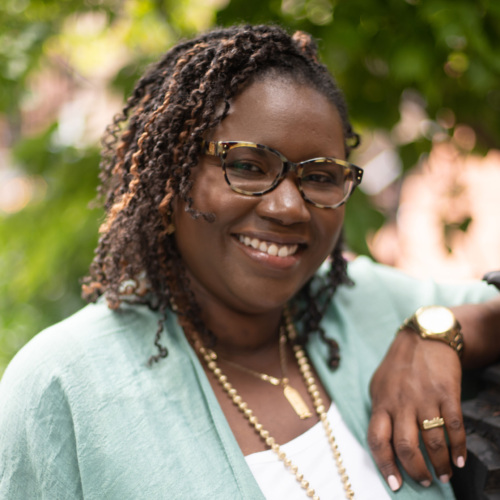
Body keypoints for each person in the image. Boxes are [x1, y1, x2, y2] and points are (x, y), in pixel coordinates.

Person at [0, 24, 499, 500]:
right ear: (172, 176)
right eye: (246, 166)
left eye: (321, 176)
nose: (289, 207)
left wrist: (437, 331)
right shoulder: (63, 386)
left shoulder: (366, 304)